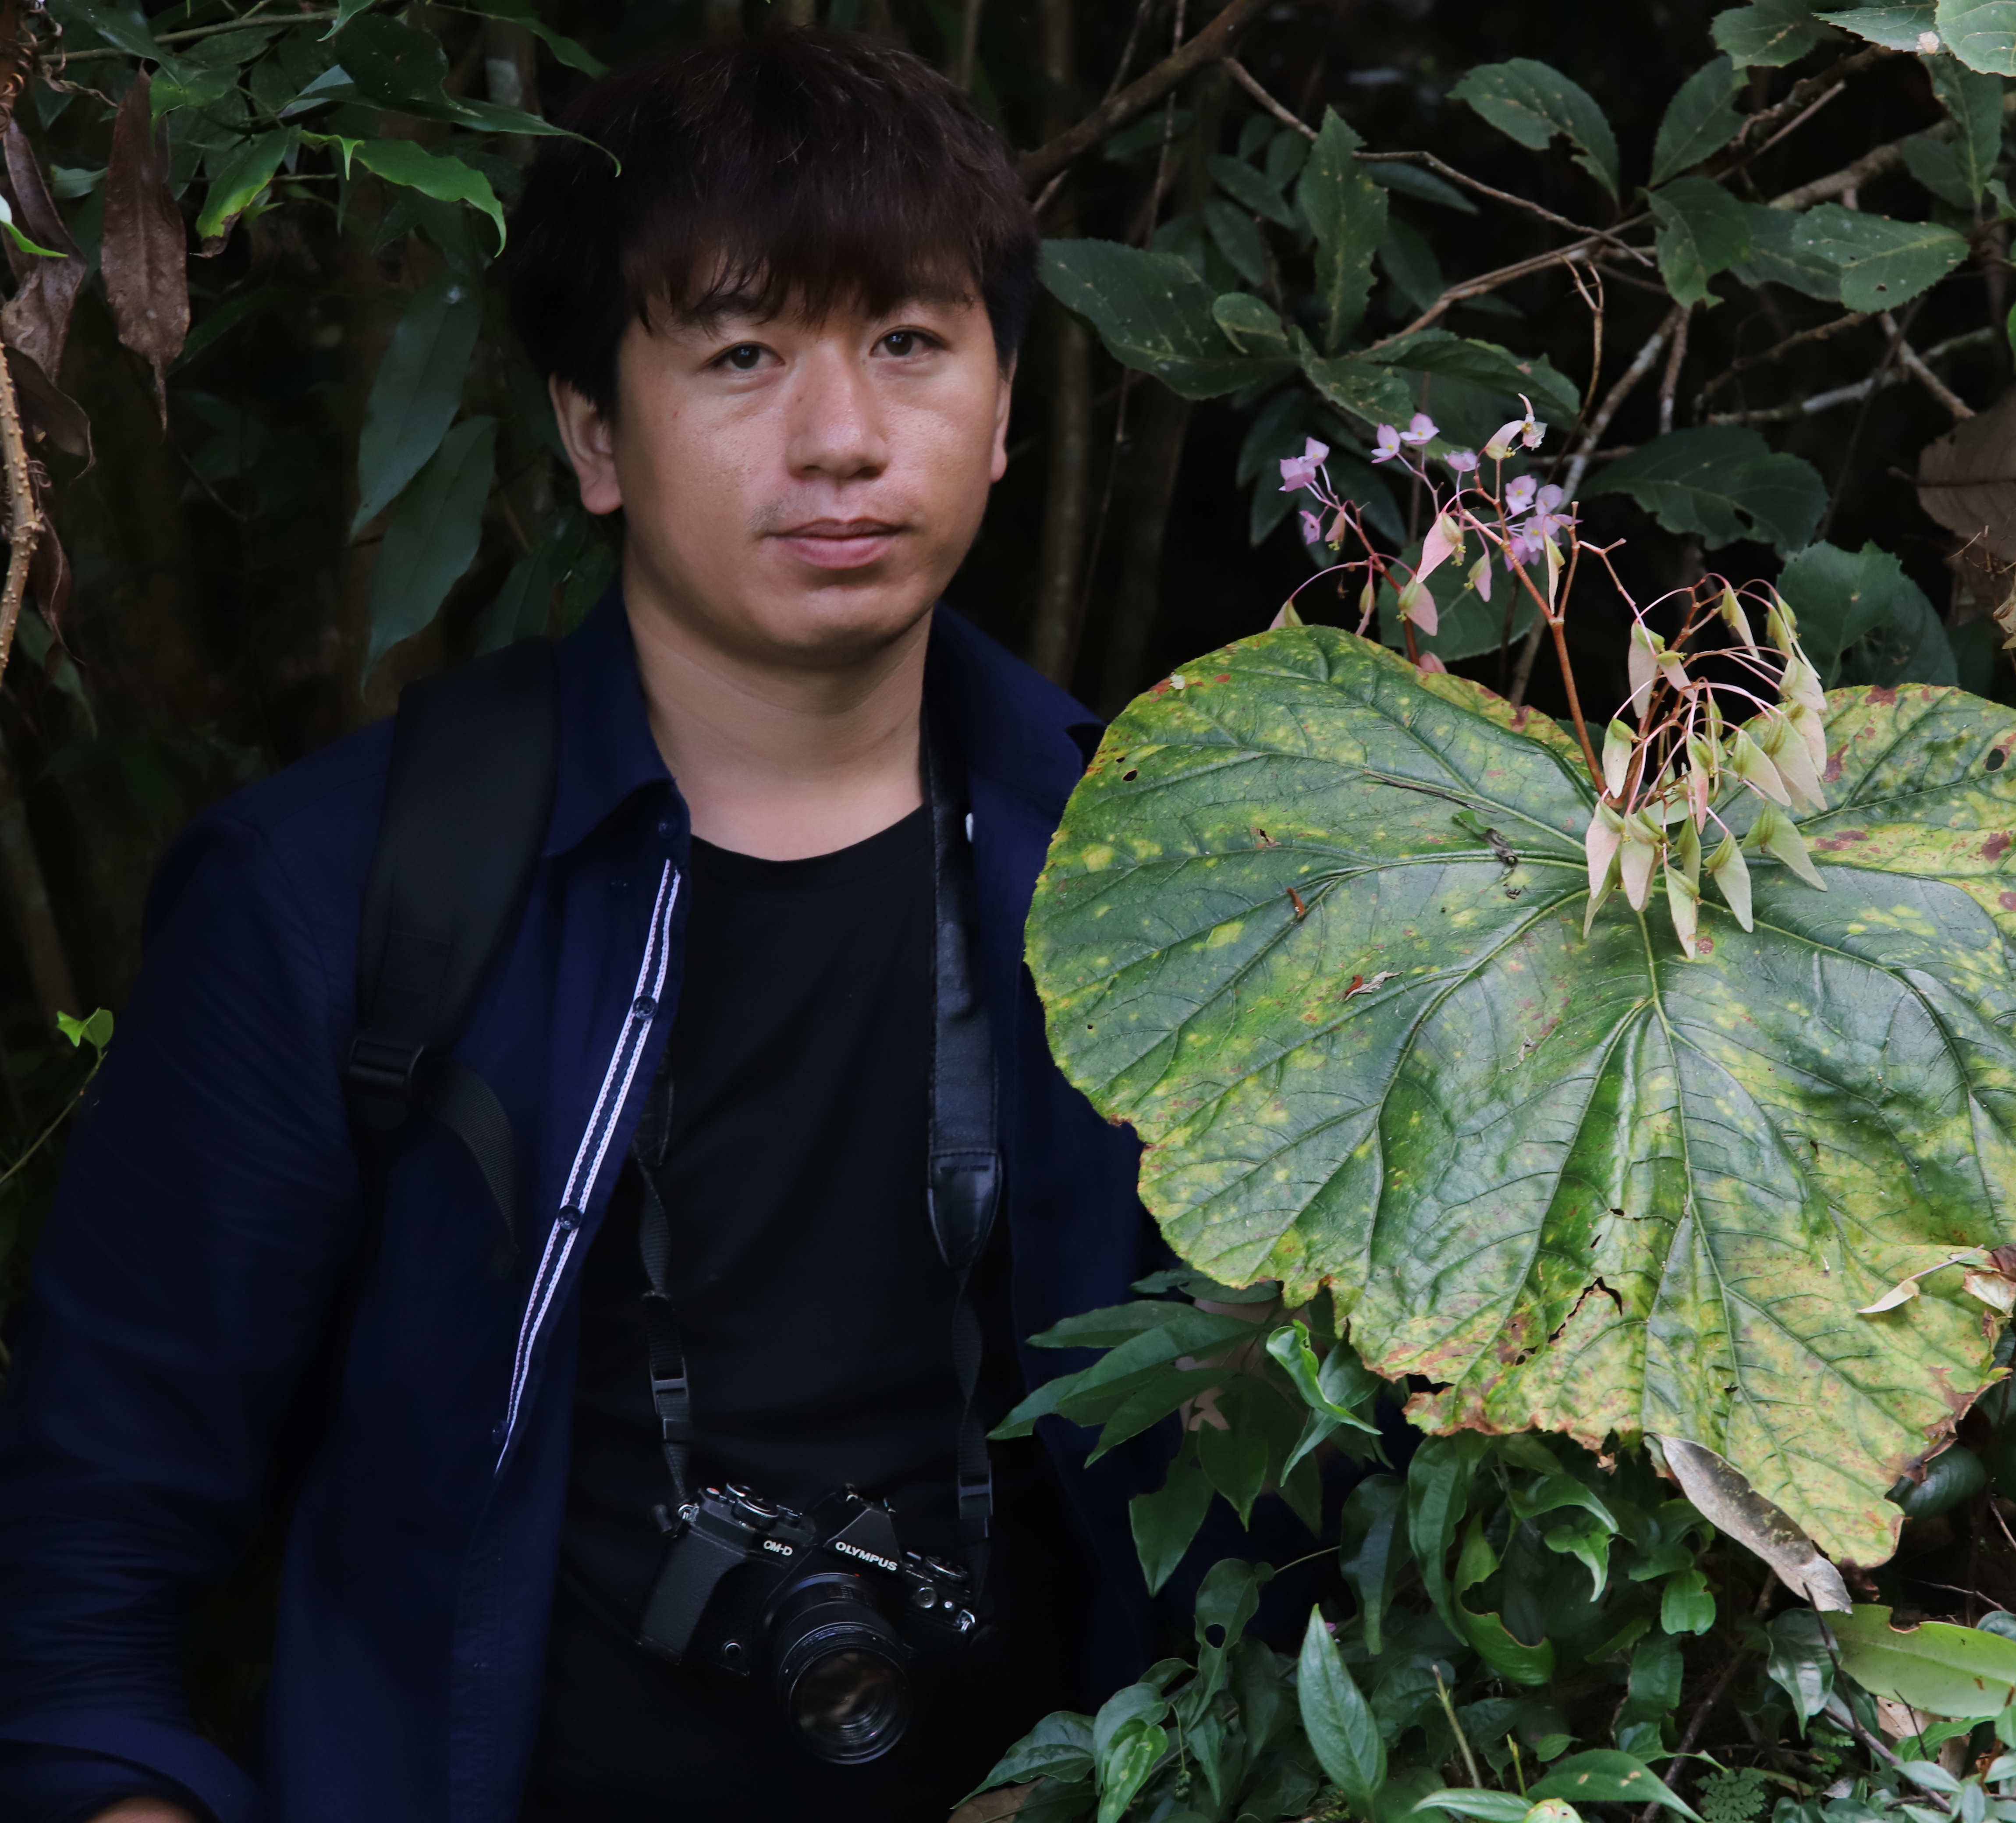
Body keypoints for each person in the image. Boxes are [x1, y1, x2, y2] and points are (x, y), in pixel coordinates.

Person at [0, 31, 1162, 1823]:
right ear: (592, 432)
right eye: (742, 353)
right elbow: (80, 1585)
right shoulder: (332, 898)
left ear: (1007, 411)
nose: (843, 436)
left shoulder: (1158, 879)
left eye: (911, 343)